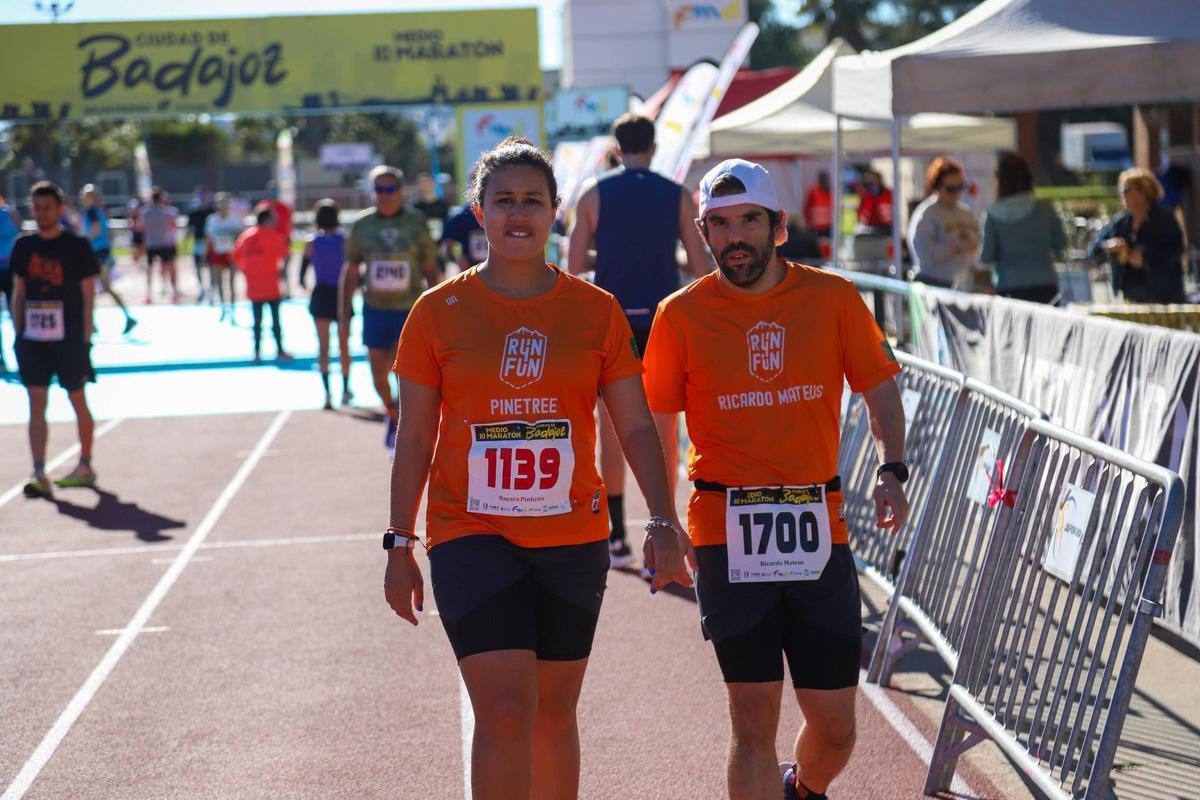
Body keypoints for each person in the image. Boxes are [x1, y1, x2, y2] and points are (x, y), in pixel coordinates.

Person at [382, 136, 694, 800]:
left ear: (556, 212)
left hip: (572, 539)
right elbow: (414, 438)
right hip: (471, 531)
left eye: (532, 201)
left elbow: (635, 424)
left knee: (553, 715)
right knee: (503, 710)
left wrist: (663, 518)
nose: (518, 214)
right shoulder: (437, 314)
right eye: (503, 201)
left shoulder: (594, 311)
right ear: (479, 211)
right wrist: (399, 542)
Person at [642, 159, 909, 800]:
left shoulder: (834, 299)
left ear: (778, 227)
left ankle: (805, 789)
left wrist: (892, 468)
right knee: (753, 718)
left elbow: (881, 391)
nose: (734, 237)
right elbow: (655, 426)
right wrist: (662, 519)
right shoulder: (680, 315)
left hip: (818, 526)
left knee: (837, 730)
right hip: (725, 531)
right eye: (719, 225)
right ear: (703, 233)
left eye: (748, 222)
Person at [566, 112, 711, 568]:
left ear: (616, 146)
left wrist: (612, 252)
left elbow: (573, 264)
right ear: (654, 147)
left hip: (614, 320)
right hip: (665, 318)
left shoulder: (593, 192)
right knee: (664, 427)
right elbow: (701, 266)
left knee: (612, 429)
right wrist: (659, 256)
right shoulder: (677, 195)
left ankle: (616, 535)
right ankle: (665, 525)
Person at [11, 182, 103, 497]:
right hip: (33, 340)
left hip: (69, 339)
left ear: (60, 208)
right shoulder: (24, 246)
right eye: (36, 208)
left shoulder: (77, 246)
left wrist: (86, 335)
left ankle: (86, 464)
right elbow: (19, 292)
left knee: (77, 398)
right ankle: (39, 470)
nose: (42, 214)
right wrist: (19, 331)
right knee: (36, 401)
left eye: (47, 208)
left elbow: (89, 294)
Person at [339, 165, 440, 448]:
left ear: (401, 192)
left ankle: (405, 425)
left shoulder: (416, 222)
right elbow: (350, 270)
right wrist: (344, 312)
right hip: (375, 308)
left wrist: (438, 309)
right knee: (377, 375)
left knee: (402, 371)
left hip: (409, 308)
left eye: (390, 189)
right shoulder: (363, 224)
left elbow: (431, 267)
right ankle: (392, 412)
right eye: (379, 189)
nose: (384, 195)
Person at [978, 153, 1067, 304]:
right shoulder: (1045, 210)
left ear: (1001, 181)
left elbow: (986, 256)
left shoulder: (992, 214)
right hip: (1045, 286)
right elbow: (1062, 244)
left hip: (1009, 287)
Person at [1091, 168, 1186, 304]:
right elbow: (1093, 250)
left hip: (1164, 296)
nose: (1122, 194)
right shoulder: (1121, 221)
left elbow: (1175, 251)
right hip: (1131, 298)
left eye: (1127, 189)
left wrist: (1145, 260)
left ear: (1144, 192)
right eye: (1121, 190)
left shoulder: (1164, 218)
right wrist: (1109, 246)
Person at [304, 199, 352, 408]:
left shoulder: (311, 242)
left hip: (321, 293)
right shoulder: (344, 240)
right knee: (344, 346)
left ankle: (327, 394)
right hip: (341, 294)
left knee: (323, 346)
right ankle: (345, 390)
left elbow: (301, 273)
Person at [908, 157, 980, 290]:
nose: (957, 193)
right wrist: (955, 248)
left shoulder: (966, 213)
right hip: (932, 285)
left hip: (962, 285)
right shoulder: (927, 214)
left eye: (960, 187)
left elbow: (980, 243)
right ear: (937, 186)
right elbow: (923, 254)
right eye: (951, 189)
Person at [233, 208, 292, 362]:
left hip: (254, 286)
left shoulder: (246, 237)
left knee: (257, 322)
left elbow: (236, 257)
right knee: (275, 322)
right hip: (271, 286)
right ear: (266, 220)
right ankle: (279, 350)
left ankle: (257, 353)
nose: (276, 222)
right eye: (273, 219)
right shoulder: (273, 237)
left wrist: (247, 271)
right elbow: (285, 255)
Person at [80, 185, 137, 333]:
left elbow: (96, 230)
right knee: (103, 288)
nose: (82, 197)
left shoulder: (92, 211)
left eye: (85, 195)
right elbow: (108, 233)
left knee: (93, 288)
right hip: (103, 252)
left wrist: (82, 242)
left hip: (97, 253)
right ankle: (95, 322)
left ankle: (92, 324)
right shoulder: (100, 211)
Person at [205, 193, 243, 321]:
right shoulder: (212, 220)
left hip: (231, 254)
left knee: (232, 283)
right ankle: (223, 307)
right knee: (219, 283)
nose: (223, 206)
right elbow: (209, 238)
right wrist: (206, 255)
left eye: (225, 203)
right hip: (218, 253)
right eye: (220, 203)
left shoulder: (234, 220)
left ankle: (233, 309)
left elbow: (240, 236)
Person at [142, 187, 180, 303]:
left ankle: (148, 294)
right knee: (171, 268)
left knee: (150, 270)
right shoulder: (168, 212)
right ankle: (174, 293)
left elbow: (142, 227)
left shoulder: (146, 212)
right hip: (166, 244)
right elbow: (173, 226)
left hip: (152, 244)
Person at [255, 180, 293, 296]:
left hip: (282, 242)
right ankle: (267, 291)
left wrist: (287, 240)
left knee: (284, 268)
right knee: (268, 269)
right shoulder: (262, 207)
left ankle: (286, 290)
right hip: (267, 245)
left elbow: (288, 226)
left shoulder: (285, 208)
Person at [0, 192, 23, 373]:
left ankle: (22, 352)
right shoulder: (10, 214)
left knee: (16, 310)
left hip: (9, 268)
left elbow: (19, 233)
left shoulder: (9, 213)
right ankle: (2, 358)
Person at [186, 185, 216, 304]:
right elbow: (190, 229)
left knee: (211, 266)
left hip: (210, 243)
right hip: (198, 241)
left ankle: (212, 291)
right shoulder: (194, 212)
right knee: (198, 266)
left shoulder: (212, 211)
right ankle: (202, 288)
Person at [441, 202, 488, 274]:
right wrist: (458, 260)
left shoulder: (459, 214)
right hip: (469, 270)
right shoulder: (460, 215)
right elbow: (448, 247)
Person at [851, 169, 893, 235]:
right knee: (857, 230)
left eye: (876, 179)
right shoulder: (866, 195)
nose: (875, 182)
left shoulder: (888, 193)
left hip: (885, 226)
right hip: (870, 225)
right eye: (873, 180)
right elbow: (861, 211)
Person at [802, 171, 833, 239]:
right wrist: (807, 222)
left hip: (829, 227)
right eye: (822, 179)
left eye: (825, 179)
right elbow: (806, 208)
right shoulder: (813, 191)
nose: (824, 181)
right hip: (815, 228)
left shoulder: (831, 193)